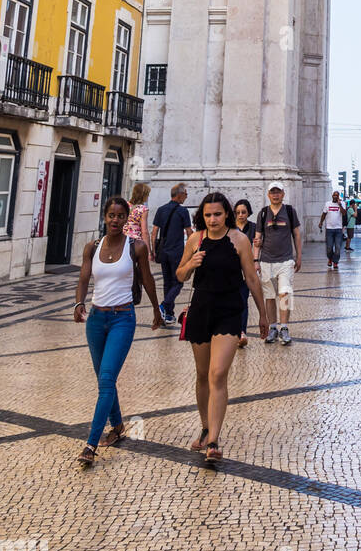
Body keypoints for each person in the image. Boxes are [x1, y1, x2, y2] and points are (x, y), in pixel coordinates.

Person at [175, 192, 267, 465]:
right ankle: (205, 427)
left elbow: (251, 278)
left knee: (217, 373)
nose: (213, 219)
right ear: (202, 216)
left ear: (226, 213)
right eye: (207, 215)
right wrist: (191, 263)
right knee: (202, 374)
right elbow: (180, 275)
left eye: (217, 214)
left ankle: (214, 440)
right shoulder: (196, 239)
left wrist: (263, 315)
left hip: (229, 311)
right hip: (201, 310)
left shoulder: (239, 240)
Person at [72, 195, 162, 467]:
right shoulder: (92, 247)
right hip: (96, 320)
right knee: (104, 380)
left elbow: (146, 278)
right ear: (105, 216)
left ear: (127, 219)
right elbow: (84, 278)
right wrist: (79, 303)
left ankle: (90, 444)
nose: (115, 219)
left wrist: (157, 310)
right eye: (111, 215)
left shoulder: (136, 248)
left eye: (120, 216)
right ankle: (119, 425)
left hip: (123, 319)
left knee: (108, 378)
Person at [254, 182, 302, 345]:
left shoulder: (289, 211)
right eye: (272, 192)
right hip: (266, 260)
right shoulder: (262, 213)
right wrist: (255, 260)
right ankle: (273, 327)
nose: (275, 195)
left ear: (283, 194)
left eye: (278, 192)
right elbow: (257, 237)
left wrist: (299, 256)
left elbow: (296, 234)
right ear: (268, 195)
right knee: (269, 296)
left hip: (286, 260)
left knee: (284, 293)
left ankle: (284, 327)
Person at [151, 182, 192, 325]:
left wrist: (153, 250)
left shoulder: (161, 209)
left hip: (163, 251)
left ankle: (169, 314)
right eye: (186, 194)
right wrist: (194, 249)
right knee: (179, 282)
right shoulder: (183, 211)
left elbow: (154, 231)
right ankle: (163, 306)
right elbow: (189, 232)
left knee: (168, 282)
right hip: (177, 252)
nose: (186, 196)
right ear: (179, 195)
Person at [233, 199, 256, 348]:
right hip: (231, 269)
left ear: (248, 213)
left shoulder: (254, 227)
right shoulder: (230, 228)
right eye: (238, 212)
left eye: (244, 212)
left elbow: (259, 243)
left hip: (246, 269)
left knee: (243, 300)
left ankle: (242, 332)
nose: (241, 215)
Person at [319, 191, 345, 269]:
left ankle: (335, 262)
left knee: (337, 247)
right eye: (334, 195)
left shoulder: (342, 203)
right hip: (329, 229)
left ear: (338, 196)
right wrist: (321, 222)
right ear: (332, 196)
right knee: (329, 248)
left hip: (338, 229)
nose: (335, 196)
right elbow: (324, 214)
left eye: (337, 195)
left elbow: (344, 213)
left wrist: (339, 205)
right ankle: (330, 259)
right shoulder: (327, 204)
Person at [125, 182, 152, 255]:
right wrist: (148, 251)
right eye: (147, 194)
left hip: (122, 241)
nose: (148, 196)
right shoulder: (143, 209)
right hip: (135, 242)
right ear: (143, 195)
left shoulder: (125, 205)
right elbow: (144, 232)